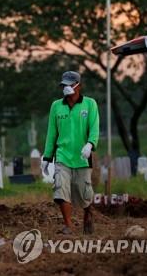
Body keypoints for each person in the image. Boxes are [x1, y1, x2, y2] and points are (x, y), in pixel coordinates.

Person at [42, 71, 99, 235]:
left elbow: (94, 128)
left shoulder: (90, 104)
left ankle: (88, 213)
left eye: (70, 84)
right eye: (64, 85)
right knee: (60, 190)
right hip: (62, 156)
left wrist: (90, 144)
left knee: (84, 194)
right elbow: (51, 133)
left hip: (82, 157)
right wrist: (47, 157)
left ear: (78, 86)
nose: (66, 88)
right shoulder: (56, 106)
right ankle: (68, 225)